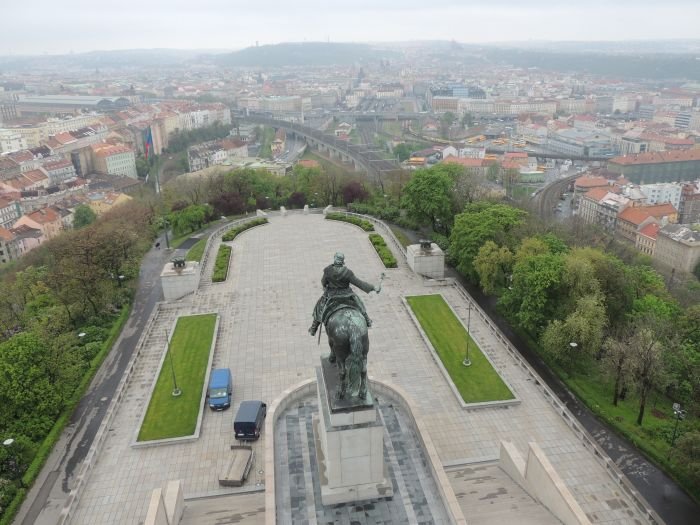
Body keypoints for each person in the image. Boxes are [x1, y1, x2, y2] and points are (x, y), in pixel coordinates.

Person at [309, 252, 378, 336]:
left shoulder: (328, 270)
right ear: (342, 261)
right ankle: (367, 320)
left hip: (331, 295)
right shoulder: (348, 272)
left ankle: (313, 328)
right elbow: (359, 283)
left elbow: (323, 282)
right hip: (347, 295)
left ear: (335, 259)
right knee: (359, 303)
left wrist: (325, 287)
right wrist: (373, 287)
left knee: (319, 306)